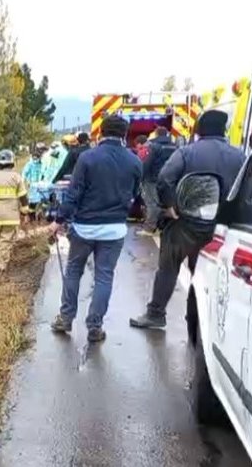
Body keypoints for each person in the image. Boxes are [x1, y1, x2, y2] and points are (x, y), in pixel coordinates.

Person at [130, 110, 246, 329]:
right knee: (201, 274)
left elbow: (165, 178)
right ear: (223, 130)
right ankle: (196, 321)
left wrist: (171, 206)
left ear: (200, 129)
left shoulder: (187, 153)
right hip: (221, 228)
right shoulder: (240, 156)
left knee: (168, 267)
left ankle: (156, 314)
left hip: (185, 224)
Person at [49, 116, 142, 342]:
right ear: (124, 134)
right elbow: (136, 194)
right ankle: (95, 326)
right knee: (104, 277)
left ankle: (66, 318)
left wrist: (58, 220)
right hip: (114, 230)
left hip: (84, 228)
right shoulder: (134, 161)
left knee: (73, 271)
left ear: (100, 131)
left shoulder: (87, 158)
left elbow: (74, 193)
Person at [137, 127, 177, 236]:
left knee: (152, 204)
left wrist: (141, 177)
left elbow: (147, 163)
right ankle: (162, 226)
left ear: (156, 134)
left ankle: (149, 228)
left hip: (153, 179)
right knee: (165, 203)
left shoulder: (153, 146)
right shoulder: (175, 146)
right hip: (169, 180)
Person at [22, 150, 45, 220]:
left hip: (40, 185)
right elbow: (24, 173)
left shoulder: (41, 164)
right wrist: (23, 181)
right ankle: (31, 216)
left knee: (40, 200)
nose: (35, 159)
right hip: (32, 185)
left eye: (36, 158)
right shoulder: (29, 164)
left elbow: (43, 173)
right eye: (34, 158)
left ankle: (39, 216)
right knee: (32, 200)